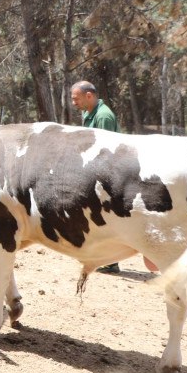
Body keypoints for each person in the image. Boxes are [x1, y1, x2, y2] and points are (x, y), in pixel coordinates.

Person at [69, 80, 122, 272]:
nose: (74, 103)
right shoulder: (88, 113)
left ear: (89, 96)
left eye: (76, 99)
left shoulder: (103, 116)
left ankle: (112, 261)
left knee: (105, 217)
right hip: (93, 171)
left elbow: (105, 150)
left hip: (105, 174)